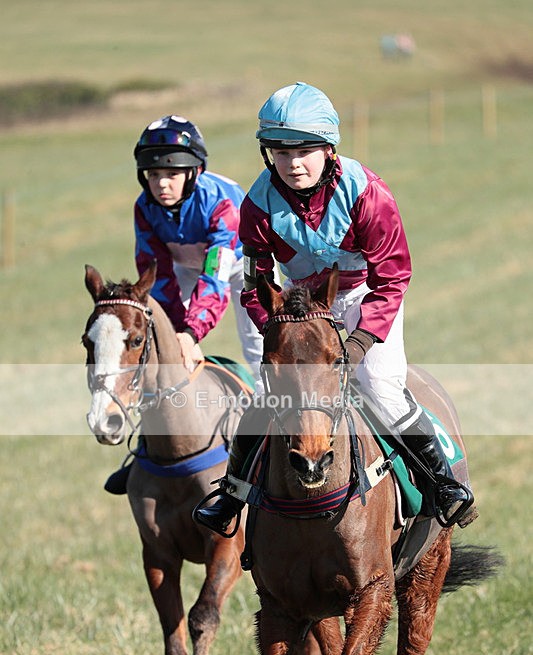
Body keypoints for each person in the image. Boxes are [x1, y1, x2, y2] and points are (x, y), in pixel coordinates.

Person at [195, 82, 476, 532]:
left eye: (304, 150)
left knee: (380, 387)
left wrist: (362, 340)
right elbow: (255, 284)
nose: (292, 163)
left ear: (328, 149)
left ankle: (443, 483)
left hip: (366, 295)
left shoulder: (368, 194)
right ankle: (232, 495)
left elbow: (394, 276)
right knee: (272, 394)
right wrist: (279, 331)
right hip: (301, 308)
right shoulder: (257, 205)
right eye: (280, 152)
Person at [104, 115, 263, 494]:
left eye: (172, 174)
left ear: (195, 172)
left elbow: (216, 277)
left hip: (242, 264)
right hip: (182, 266)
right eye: (154, 174)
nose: (162, 184)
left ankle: (265, 445)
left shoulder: (221, 202)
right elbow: (155, 275)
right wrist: (174, 331)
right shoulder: (144, 207)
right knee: (161, 346)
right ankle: (151, 447)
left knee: (257, 349)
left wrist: (191, 332)